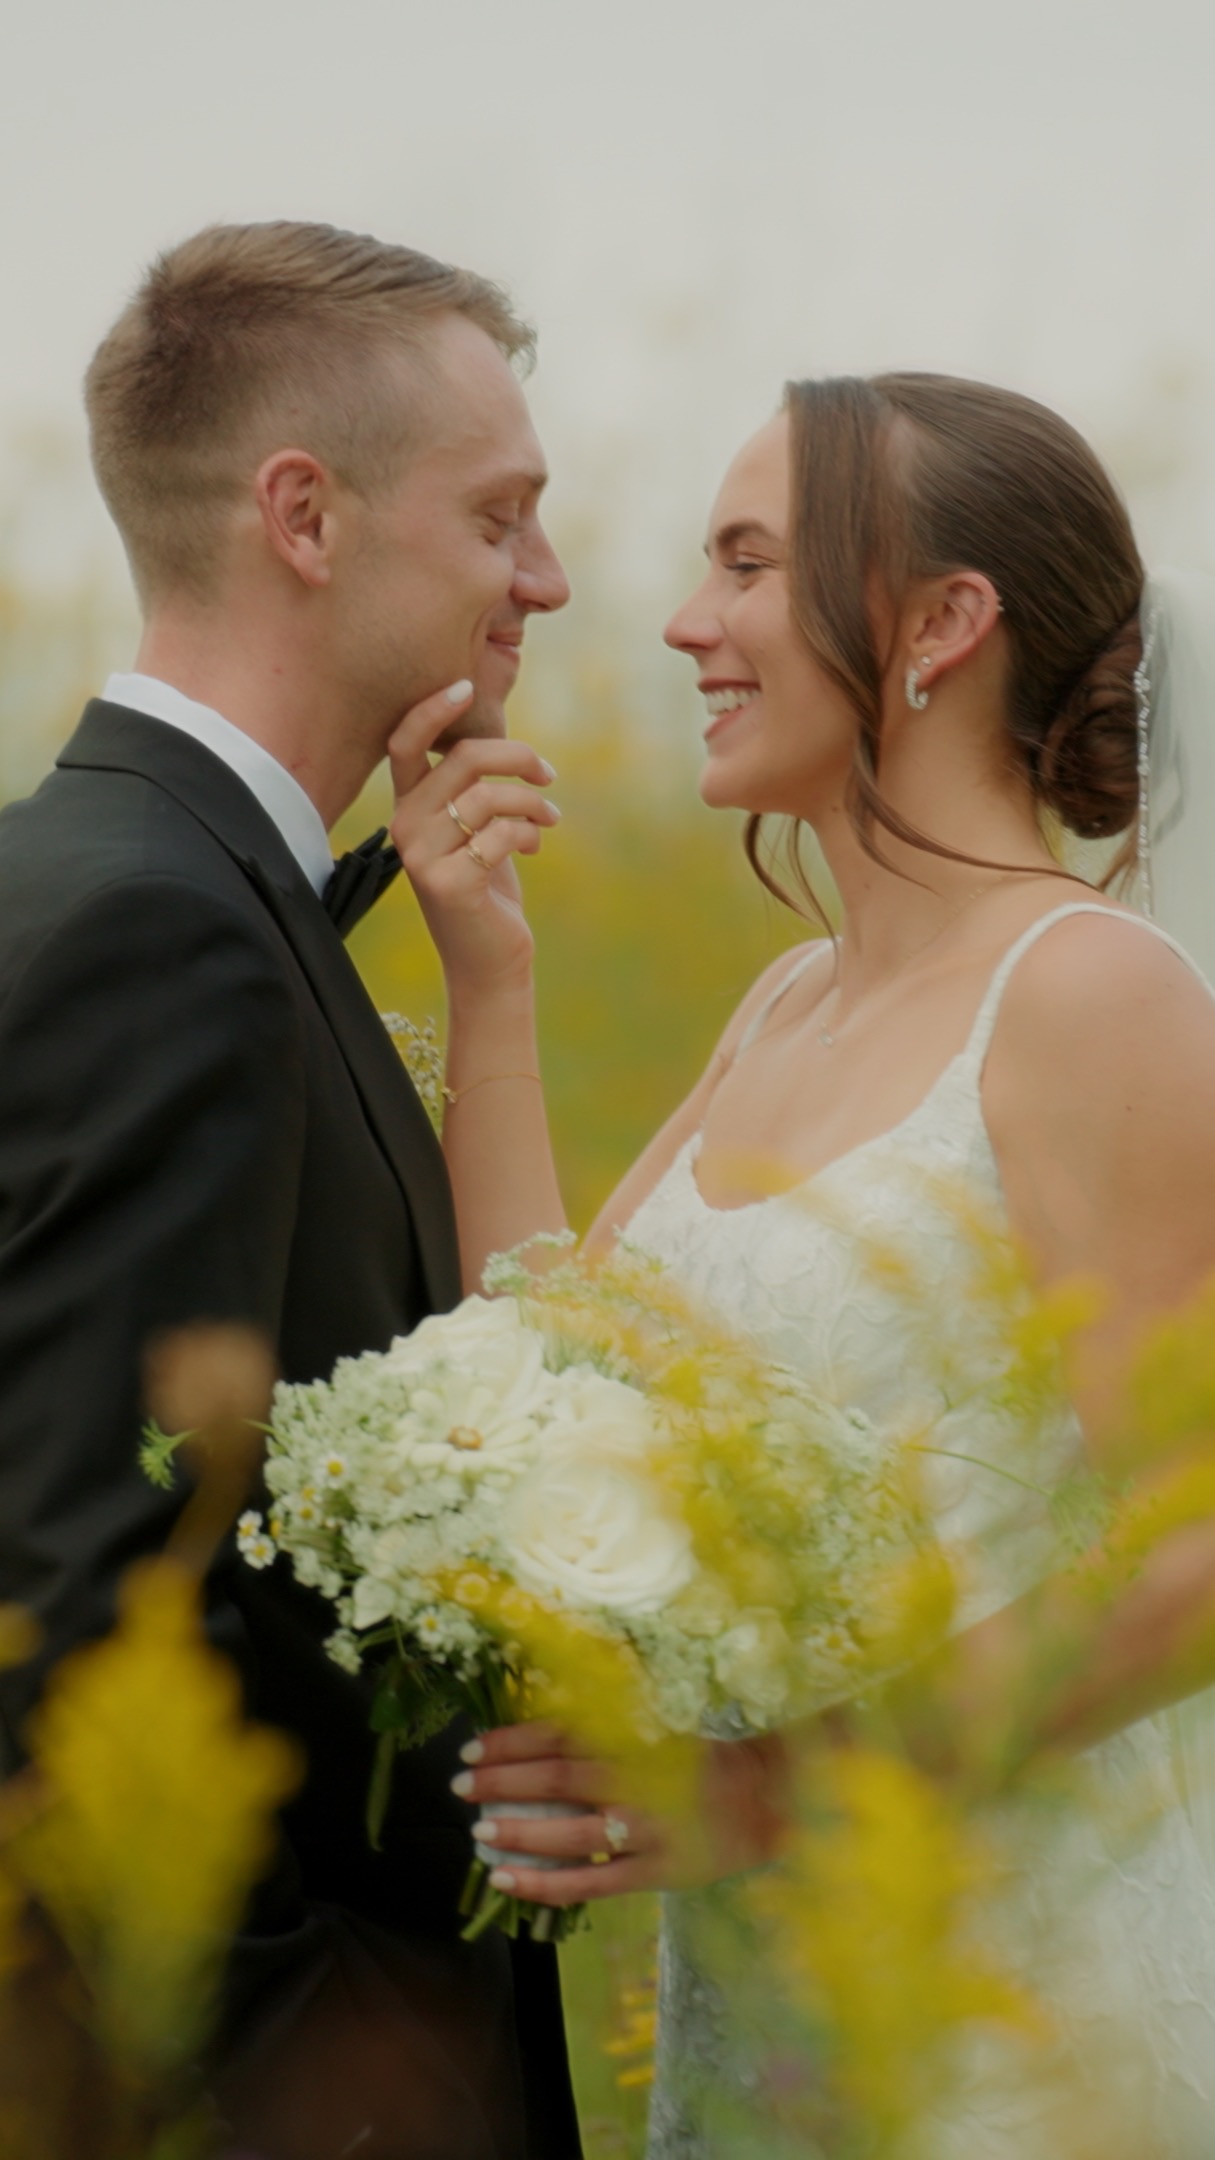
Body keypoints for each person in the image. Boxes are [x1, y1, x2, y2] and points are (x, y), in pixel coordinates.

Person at [392, 373, 1215, 2152]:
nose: (691, 622)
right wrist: (494, 985)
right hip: (763, 2022)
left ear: (940, 624)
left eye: (750, 565)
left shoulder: (1085, 991)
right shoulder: (787, 999)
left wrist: (772, 1785)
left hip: (1009, 2024)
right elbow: (546, 1391)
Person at [0, 220, 577, 2160]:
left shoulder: (98, 880)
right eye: (502, 519)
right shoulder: (166, 943)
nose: (547, 584)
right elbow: (95, 1634)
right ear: (303, 517)